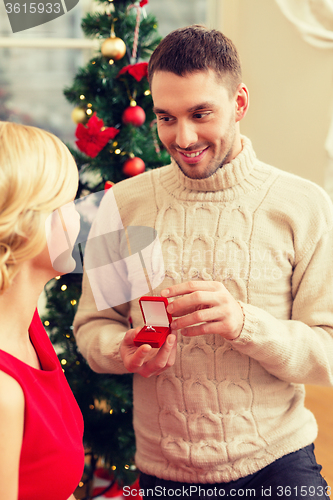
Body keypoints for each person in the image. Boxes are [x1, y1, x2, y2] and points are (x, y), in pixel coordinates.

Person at [73, 25, 333, 499]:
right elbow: (93, 327)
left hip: (278, 464)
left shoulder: (304, 205)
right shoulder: (123, 205)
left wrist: (243, 323)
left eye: (200, 113)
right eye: (166, 117)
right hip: (163, 474)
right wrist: (122, 349)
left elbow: (329, 354)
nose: (183, 136)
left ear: (240, 103)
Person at [0, 121, 85, 500]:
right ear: (25, 223)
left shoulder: (27, 324)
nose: (80, 218)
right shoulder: (4, 392)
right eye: (68, 204)